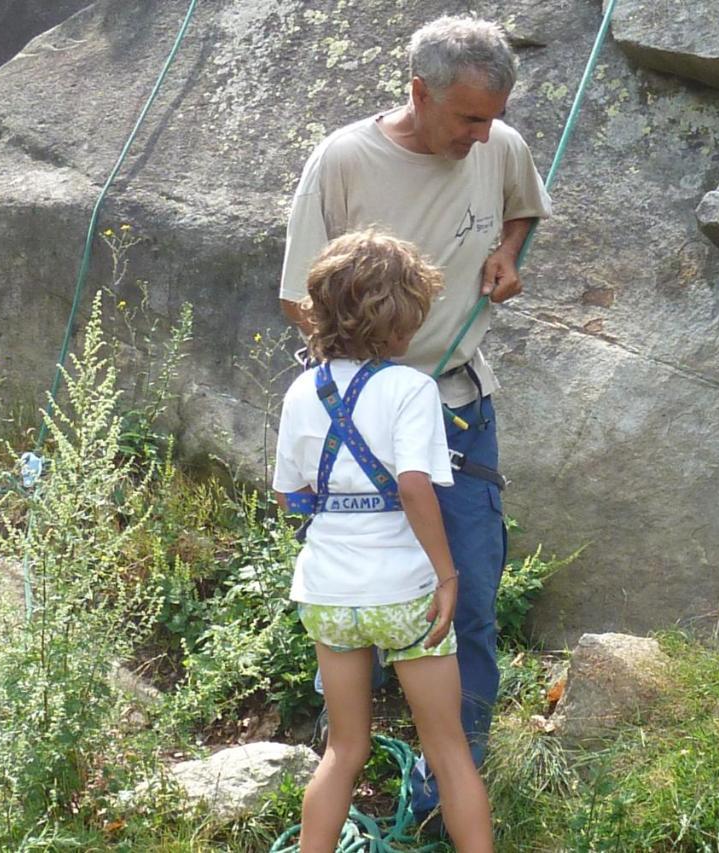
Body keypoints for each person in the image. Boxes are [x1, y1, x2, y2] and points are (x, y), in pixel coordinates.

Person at [278, 15, 552, 818]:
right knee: (368, 598)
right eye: (468, 117)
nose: (485, 133)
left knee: (464, 601)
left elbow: (522, 208)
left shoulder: (498, 145)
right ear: (418, 91)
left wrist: (507, 254)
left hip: (460, 411)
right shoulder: (344, 160)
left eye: (494, 116)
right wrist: (375, 389)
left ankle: (443, 791)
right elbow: (300, 293)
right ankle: (369, 751)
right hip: (367, 430)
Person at [273, 230, 493, 853]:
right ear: (401, 321)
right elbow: (416, 487)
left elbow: (290, 494)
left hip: (329, 592)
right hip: (405, 592)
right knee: (447, 747)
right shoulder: (411, 389)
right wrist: (447, 576)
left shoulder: (300, 392)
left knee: (344, 749)